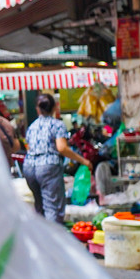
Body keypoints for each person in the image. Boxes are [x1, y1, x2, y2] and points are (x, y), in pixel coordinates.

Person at [22, 92, 92, 222]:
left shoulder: (32, 126)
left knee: (39, 206)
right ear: (55, 108)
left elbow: (29, 147)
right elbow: (62, 148)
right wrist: (83, 161)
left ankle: (40, 238)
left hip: (29, 167)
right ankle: (53, 239)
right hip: (48, 166)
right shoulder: (57, 124)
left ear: (38, 109)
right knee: (52, 208)